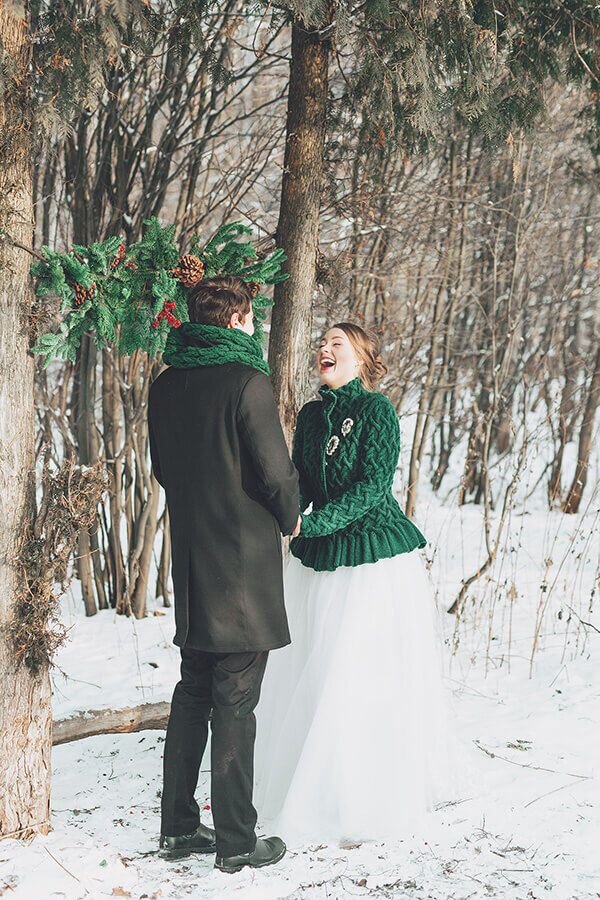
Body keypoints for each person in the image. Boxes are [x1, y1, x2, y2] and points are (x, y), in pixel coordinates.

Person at [255, 322, 450, 844]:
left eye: (336, 343)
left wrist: (313, 523)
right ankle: (312, 788)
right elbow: (300, 479)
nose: (324, 348)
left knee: (356, 674)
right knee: (311, 673)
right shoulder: (312, 415)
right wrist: (284, 511)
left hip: (372, 558)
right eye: (321, 342)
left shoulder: (377, 411)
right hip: (319, 553)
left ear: (361, 358)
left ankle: (364, 800)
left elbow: (372, 486)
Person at [148, 276, 300, 873]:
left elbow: (163, 468)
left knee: (192, 693)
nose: (255, 324)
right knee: (235, 700)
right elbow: (276, 473)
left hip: (190, 557)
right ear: (237, 318)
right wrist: (289, 518)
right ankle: (239, 841)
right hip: (242, 566)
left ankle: (179, 829)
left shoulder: (166, 384)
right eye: (251, 315)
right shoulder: (246, 381)